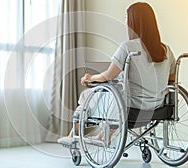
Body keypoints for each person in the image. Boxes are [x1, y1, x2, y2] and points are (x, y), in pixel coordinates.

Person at [57, 2, 176, 146]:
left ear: (133, 21)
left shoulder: (128, 47)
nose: (125, 20)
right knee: (113, 95)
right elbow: (171, 79)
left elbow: (108, 76)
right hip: (157, 106)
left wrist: (91, 77)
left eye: (126, 17)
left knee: (87, 96)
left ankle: (73, 136)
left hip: (130, 107)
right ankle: (102, 135)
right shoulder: (166, 50)